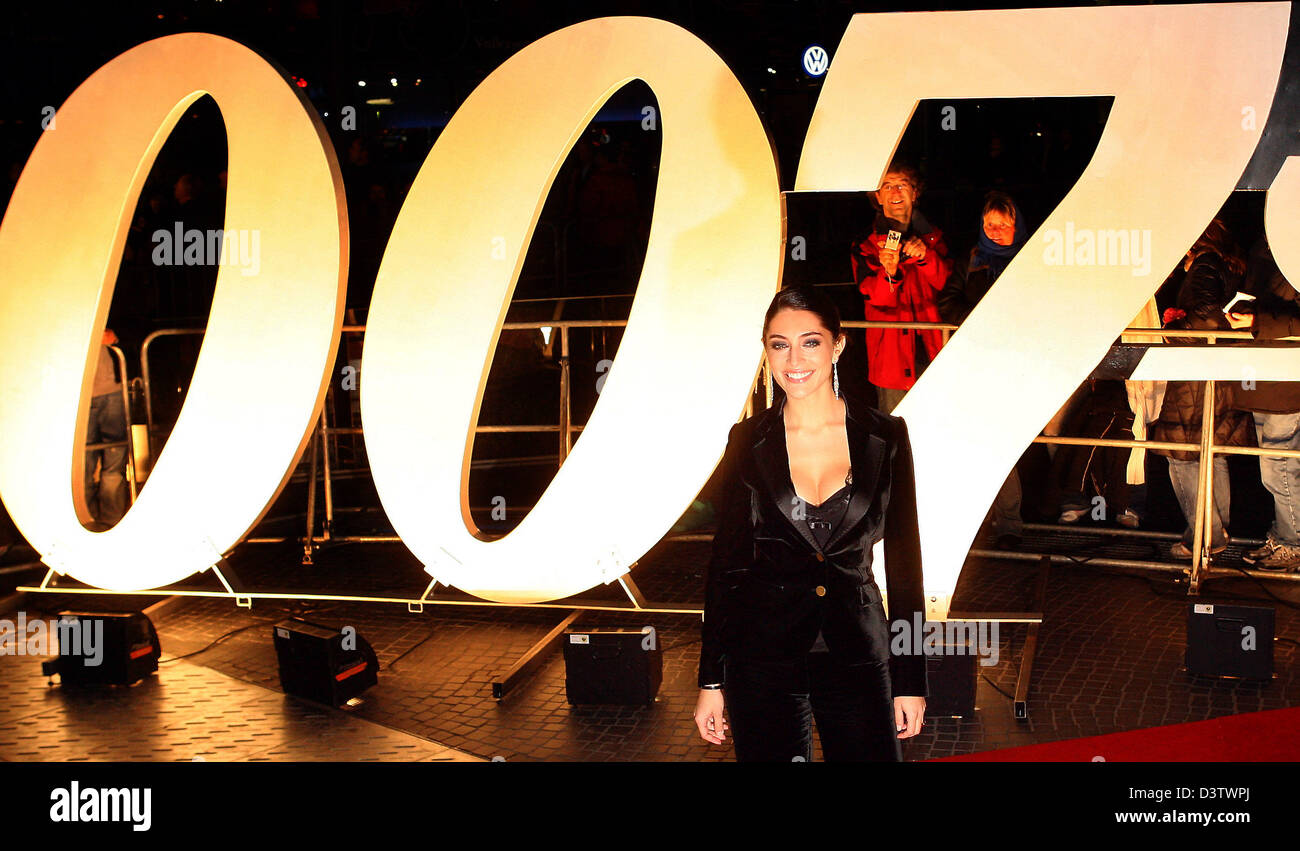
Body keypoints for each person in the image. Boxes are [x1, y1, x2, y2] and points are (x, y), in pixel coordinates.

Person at [694, 285, 928, 762]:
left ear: (837, 345)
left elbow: (906, 567)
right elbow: (727, 567)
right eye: (779, 344)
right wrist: (711, 679)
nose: (794, 359)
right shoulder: (747, 440)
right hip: (760, 661)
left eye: (810, 341)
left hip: (859, 654)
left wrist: (910, 679)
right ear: (766, 351)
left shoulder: (885, 436)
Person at [1152, 220, 1253, 559]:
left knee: (1181, 459)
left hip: (1194, 380)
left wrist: (1173, 328)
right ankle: (1213, 532)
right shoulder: (1226, 263)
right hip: (1217, 375)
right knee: (1214, 455)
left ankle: (1206, 536)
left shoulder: (1206, 262)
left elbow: (1208, 319)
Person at [937, 190, 1027, 547]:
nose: (996, 231)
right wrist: (977, 322)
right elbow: (947, 301)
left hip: (1012, 364)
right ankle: (974, 520)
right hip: (973, 361)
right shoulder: (972, 258)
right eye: (990, 224)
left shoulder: (1029, 260)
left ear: (1017, 225)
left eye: (1004, 224)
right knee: (971, 439)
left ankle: (1009, 523)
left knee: (1003, 441)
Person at [851, 161, 953, 413]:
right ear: (877, 196)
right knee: (896, 432)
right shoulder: (865, 244)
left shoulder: (934, 237)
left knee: (940, 423)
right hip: (891, 360)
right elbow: (874, 298)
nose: (895, 193)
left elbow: (945, 283)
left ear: (915, 193)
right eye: (887, 187)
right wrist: (890, 272)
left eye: (902, 185)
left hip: (934, 349)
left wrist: (925, 256)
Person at [1225, 235, 1300, 571]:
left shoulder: (1278, 255)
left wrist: (1256, 320)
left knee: (1280, 469)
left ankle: (1294, 543)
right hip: (1266, 380)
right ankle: (1285, 536)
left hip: (1285, 384)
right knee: (1273, 470)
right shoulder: (1267, 251)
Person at [85, 329, 128, 529]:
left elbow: (120, 336)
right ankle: (86, 518)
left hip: (110, 391)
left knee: (115, 456)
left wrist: (114, 337)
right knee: (81, 462)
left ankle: (111, 521)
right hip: (77, 395)